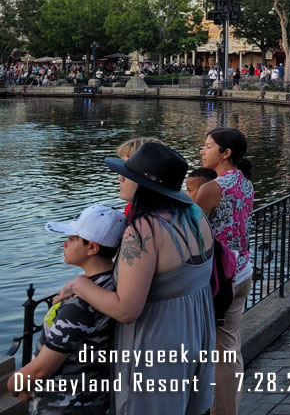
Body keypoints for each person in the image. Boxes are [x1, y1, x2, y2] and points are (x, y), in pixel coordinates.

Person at [71, 142, 215, 415]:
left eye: (128, 174)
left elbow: (126, 309)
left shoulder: (143, 229)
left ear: (144, 185)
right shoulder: (195, 215)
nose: (121, 177)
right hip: (196, 330)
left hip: (157, 342)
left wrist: (80, 284)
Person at [7, 205, 127, 415]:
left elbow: (41, 369)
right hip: (97, 400)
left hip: (64, 406)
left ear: (92, 248)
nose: (64, 243)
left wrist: (13, 384)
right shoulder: (114, 285)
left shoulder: (79, 305)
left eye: (71, 239)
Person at [195, 128, 254, 414]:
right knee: (230, 346)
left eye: (208, 146)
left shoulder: (212, 188)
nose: (202, 151)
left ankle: (222, 410)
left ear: (225, 153)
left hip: (222, 277)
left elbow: (191, 233)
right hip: (243, 269)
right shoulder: (244, 182)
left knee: (219, 352)